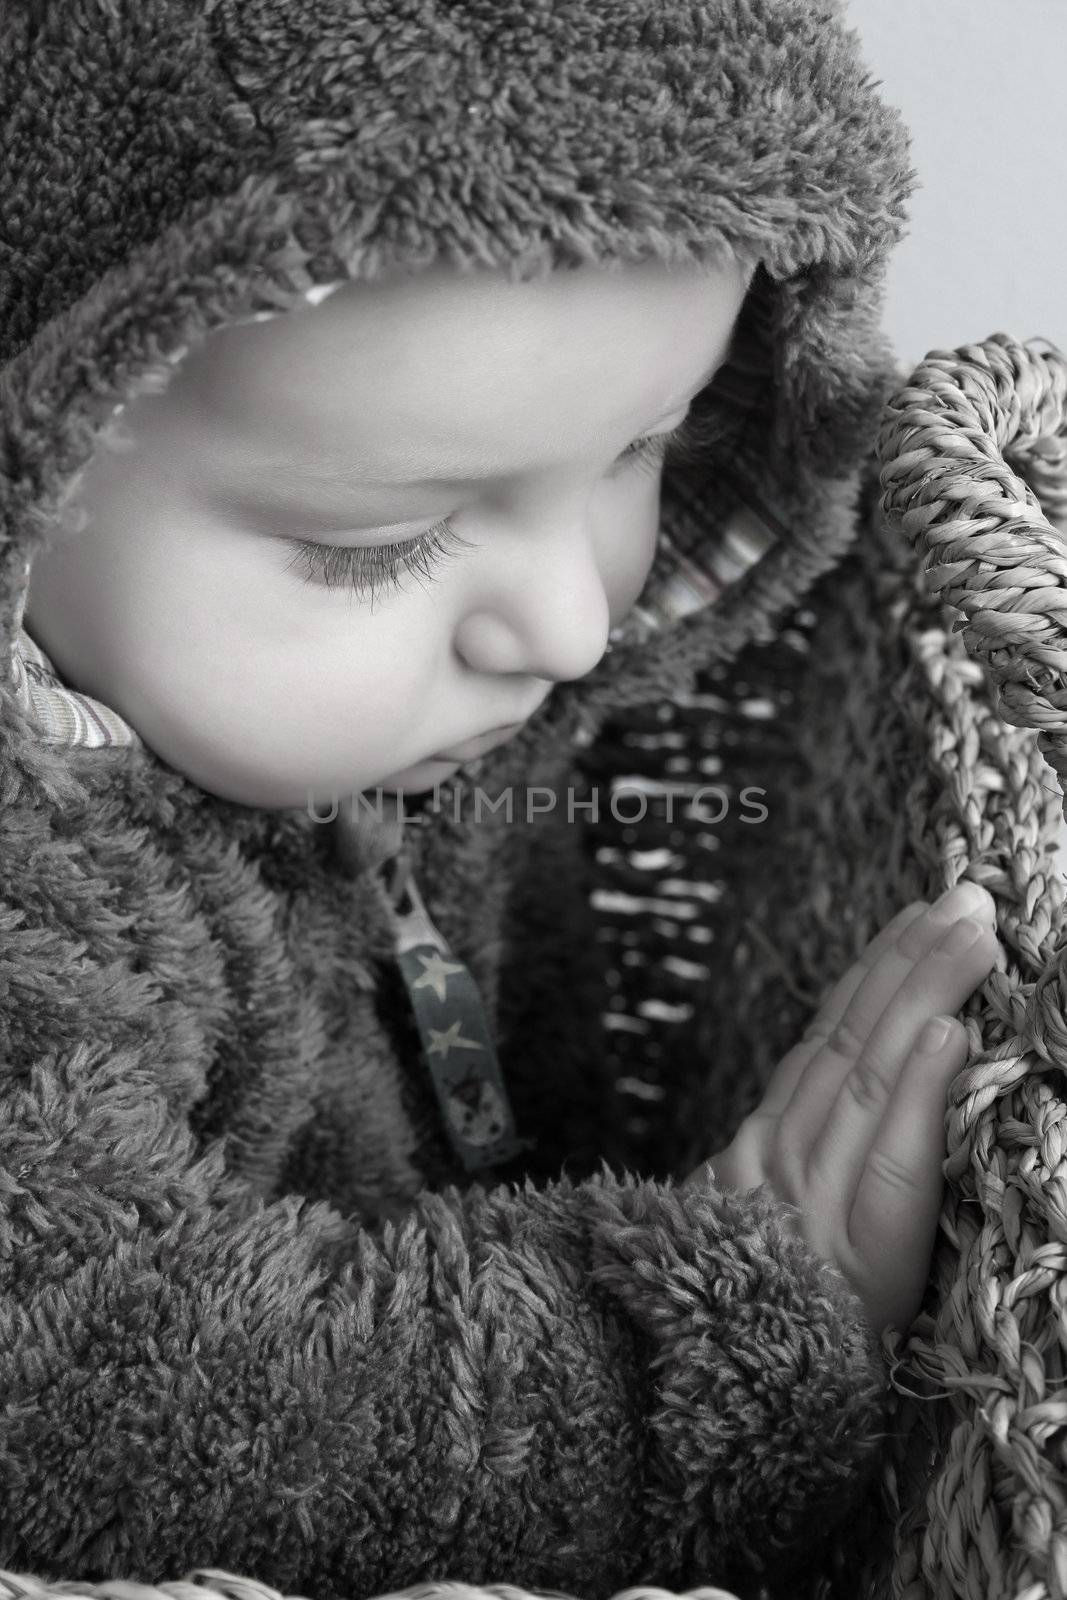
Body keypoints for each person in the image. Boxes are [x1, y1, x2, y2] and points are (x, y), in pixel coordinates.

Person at [0, 2, 999, 1597]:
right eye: (378, 543)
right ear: (36, 466)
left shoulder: (406, 736)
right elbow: (95, 1387)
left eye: (643, 447)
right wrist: (682, 1353)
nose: (573, 623)